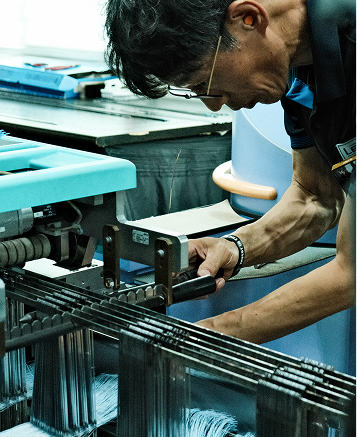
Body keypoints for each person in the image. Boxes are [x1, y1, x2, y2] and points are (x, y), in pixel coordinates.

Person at [105, 0, 356, 344]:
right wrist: (235, 247)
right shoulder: (298, 66)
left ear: (248, 18)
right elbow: (314, 197)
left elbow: (352, 273)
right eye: (195, 92)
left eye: (204, 83)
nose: (214, 103)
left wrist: (199, 337)